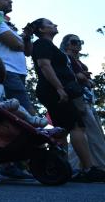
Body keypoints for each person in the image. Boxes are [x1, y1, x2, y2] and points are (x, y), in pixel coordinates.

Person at [30, 18, 105, 182]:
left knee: (62, 129)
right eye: (50, 24)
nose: (55, 25)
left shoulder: (46, 45)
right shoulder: (42, 43)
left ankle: (61, 167)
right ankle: (88, 168)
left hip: (56, 90)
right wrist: (59, 88)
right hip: (54, 90)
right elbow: (44, 65)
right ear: (42, 30)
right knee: (77, 126)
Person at [60, 35, 105, 171]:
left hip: (86, 99)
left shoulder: (78, 62)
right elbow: (73, 76)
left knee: (84, 134)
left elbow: (86, 80)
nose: (78, 45)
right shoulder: (65, 58)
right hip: (78, 99)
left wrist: (86, 79)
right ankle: (101, 165)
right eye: (74, 42)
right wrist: (84, 78)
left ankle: (75, 166)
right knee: (93, 133)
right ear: (66, 44)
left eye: (80, 42)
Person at [0, 54, 47, 127]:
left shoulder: (1, 86)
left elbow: (2, 99)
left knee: (18, 105)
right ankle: (30, 119)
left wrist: (3, 103)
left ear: (0, 67)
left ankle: (30, 119)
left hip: (0, 107)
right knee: (13, 103)